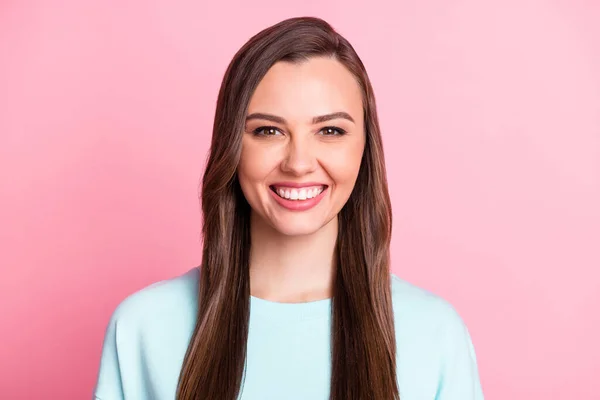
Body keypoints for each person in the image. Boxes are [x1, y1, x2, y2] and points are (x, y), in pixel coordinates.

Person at [93, 16, 485, 400]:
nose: (298, 163)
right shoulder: (143, 328)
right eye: (268, 130)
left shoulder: (434, 334)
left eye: (330, 131)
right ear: (232, 147)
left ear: (365, 149)